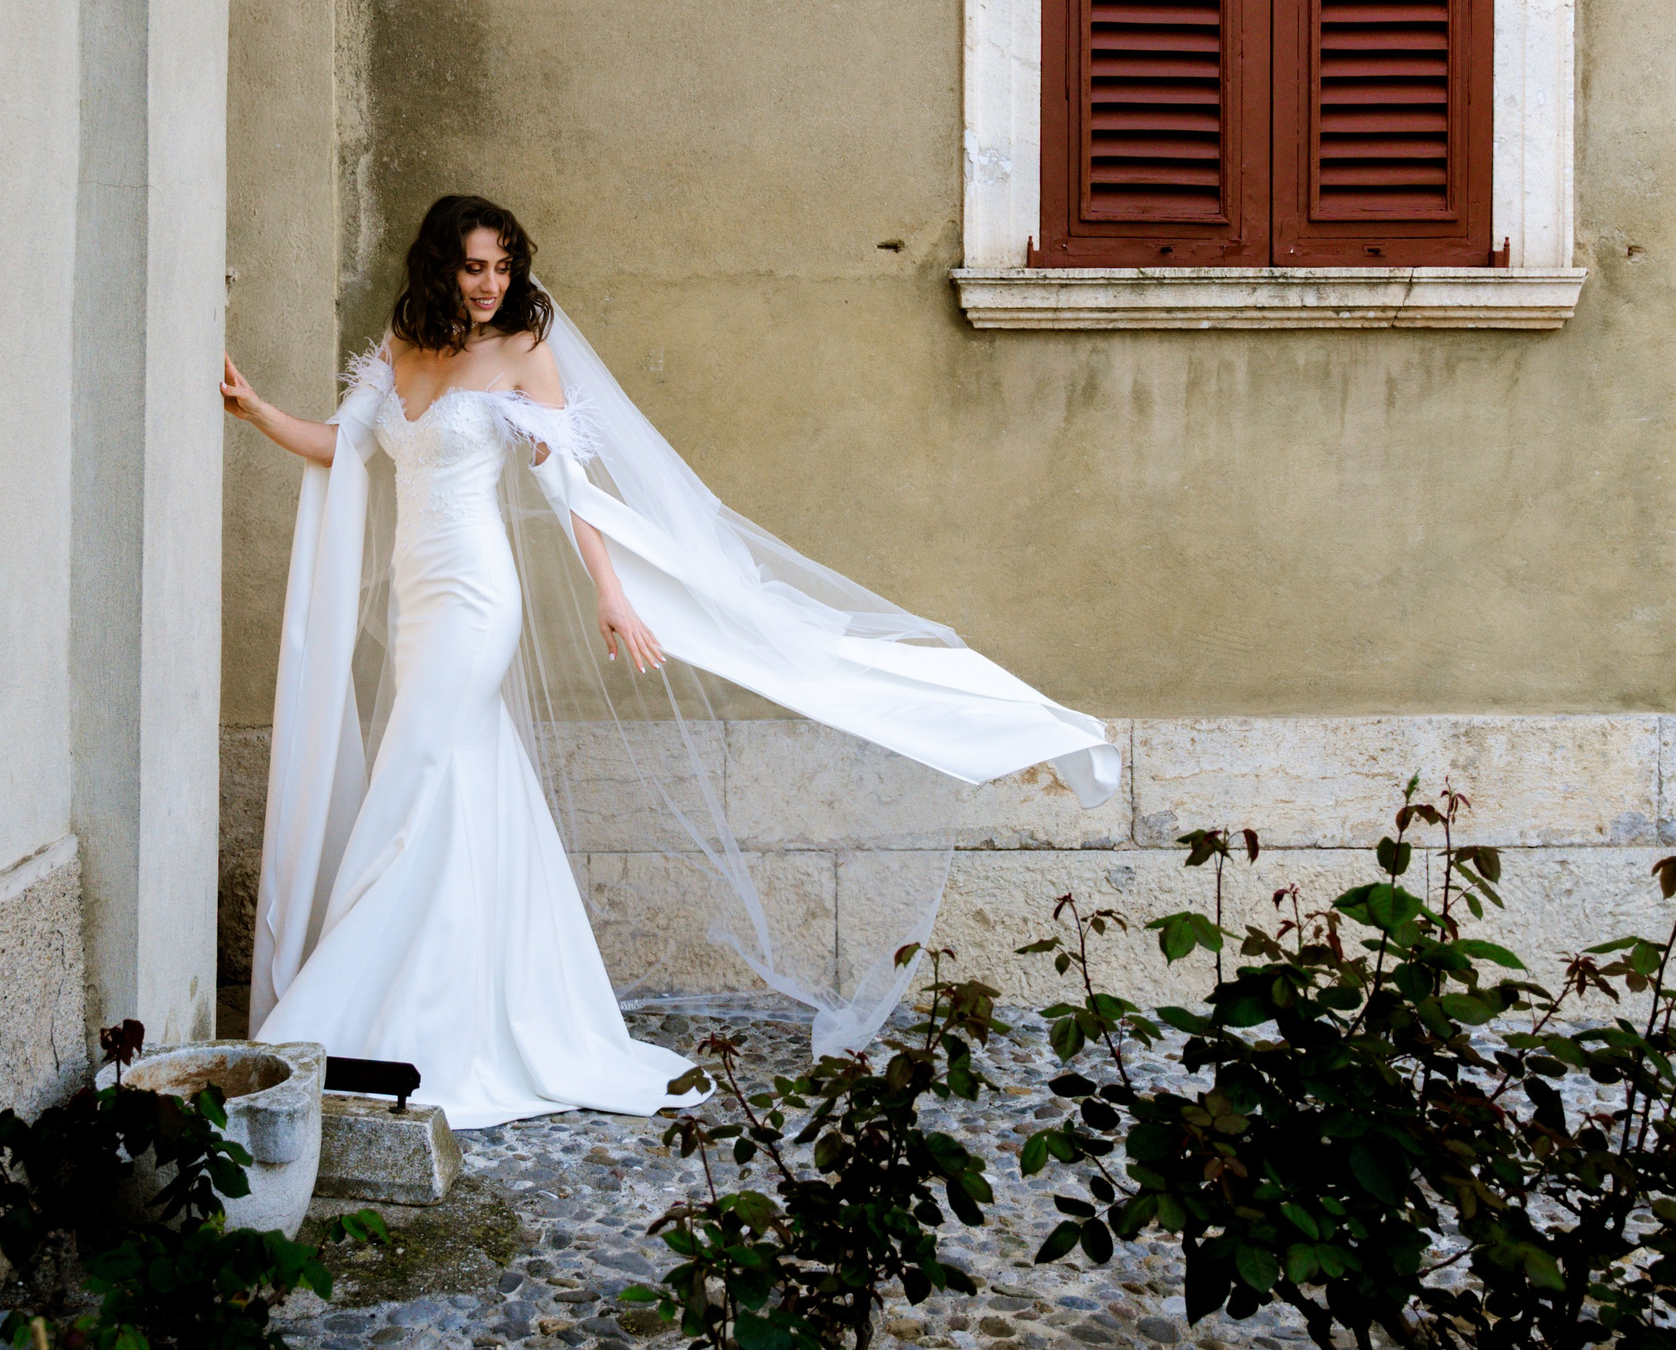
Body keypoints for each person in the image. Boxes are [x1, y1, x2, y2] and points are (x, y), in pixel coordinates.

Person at [224, 193, 1116, 1127]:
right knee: (461, 787)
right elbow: (346, 447)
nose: (490, 285)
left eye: (502, 266)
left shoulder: (526, 353)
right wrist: (256, 413)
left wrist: (612, 589)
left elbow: (568, 482)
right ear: (440, 266)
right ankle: (452, 1011)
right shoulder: (403, 347)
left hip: (478, 603)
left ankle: (340, 1015)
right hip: (419, 601)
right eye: (473, 267)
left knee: (409, 780)